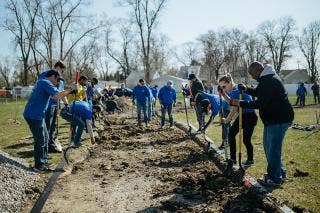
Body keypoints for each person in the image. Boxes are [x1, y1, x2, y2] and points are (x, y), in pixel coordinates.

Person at [224, 62, 294, 186]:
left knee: (272, 149)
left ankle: (274, 178)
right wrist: (247, 88)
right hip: (273, 119)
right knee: (271, 148)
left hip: (278, 119)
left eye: (252, 74)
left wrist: (239, 103)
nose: (252, 77)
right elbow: (258, 92)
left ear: (258, 70)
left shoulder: (269, 81)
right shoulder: (266, 78)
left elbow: (259, 103)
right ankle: (279, 173)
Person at [23, 69, 74, 172]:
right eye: (57, 80)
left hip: (38, 115)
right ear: (54, 77)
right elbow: (56, 96)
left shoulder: (42, 82)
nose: (58, 83)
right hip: (34, 115)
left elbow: (56, 95)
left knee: (46, 138)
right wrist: (70, 90)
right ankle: (39, 166)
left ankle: (44, 161)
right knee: (40, 140)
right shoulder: (45, 82)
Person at [219, 74, 258, 166]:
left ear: (229, 83)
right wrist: (223, 94)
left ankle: (249, 159)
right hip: (243, 115)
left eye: (224, 86)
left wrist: (227, 120)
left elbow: (234, 108)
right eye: (221, 87)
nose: (223, 89)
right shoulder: (231, 89)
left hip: (249, 116)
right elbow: (231, 102)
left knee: (245, 139)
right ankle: (233, 159)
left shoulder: (236, 90)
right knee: (231, 134)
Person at [39, 60, 67, 153]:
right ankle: (45, 146)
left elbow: (62, 93)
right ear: (58, 67)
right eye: (62, 71)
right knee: (47, 125)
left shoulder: (61, 80)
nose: (62, 73)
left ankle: (51, 143)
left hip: (55, 105)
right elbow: (46, 90)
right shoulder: (45, 75)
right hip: (47, 105)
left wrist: (66, 104)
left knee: (53, 126)